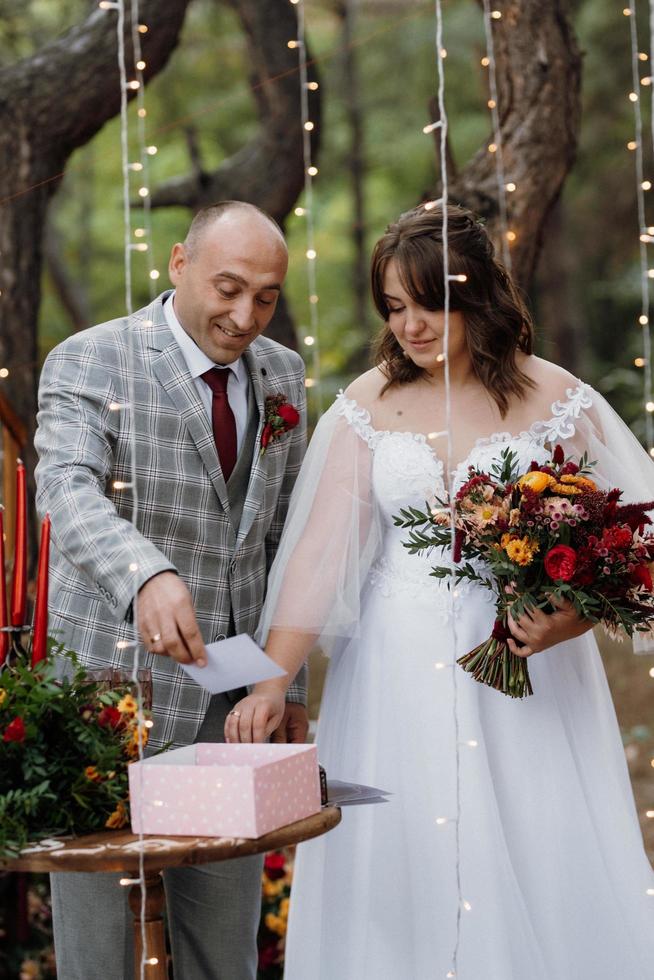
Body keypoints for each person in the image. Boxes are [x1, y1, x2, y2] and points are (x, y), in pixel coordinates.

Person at [226, 203, 654, 979]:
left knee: (537, 835)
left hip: (530, 670)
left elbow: (630, 543)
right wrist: (271, 681)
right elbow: (321, 559)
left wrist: (570, 619)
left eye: (430, 304)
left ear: (479, 298)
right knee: (404, 858)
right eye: (394, 307)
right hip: (394, 668)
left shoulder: (555, 397)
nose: (410, 326)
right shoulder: (368, 404)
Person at [34, 200, 309, 980]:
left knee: (223, 951)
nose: (245, 313)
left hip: (232, 705)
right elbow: (65, 488)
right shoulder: (91, 359)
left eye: (266, 296)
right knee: (98, 953)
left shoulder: (284, 375)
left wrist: (285, 682)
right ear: (180, 263)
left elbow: (290, 536)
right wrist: (145, 574)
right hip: (100, 701)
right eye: (228, 286)